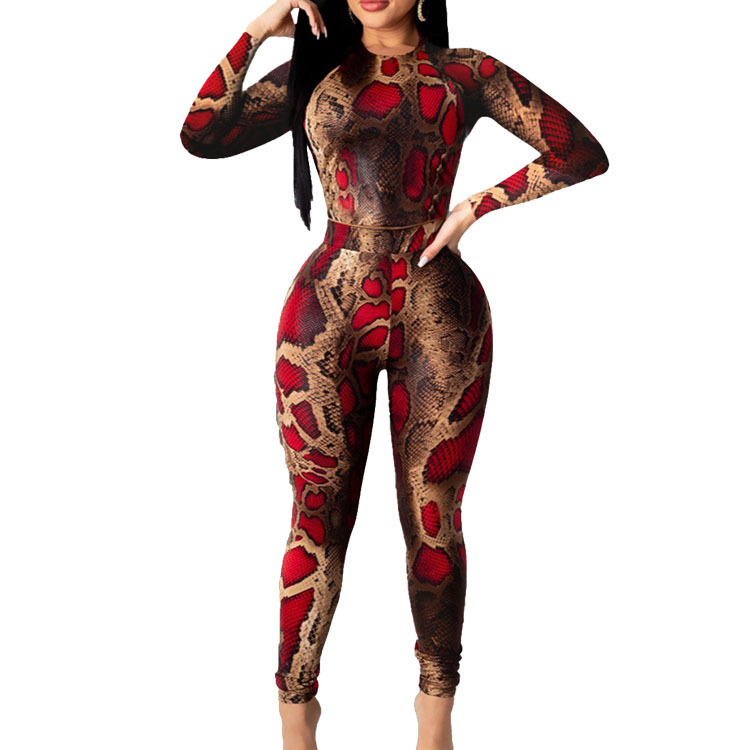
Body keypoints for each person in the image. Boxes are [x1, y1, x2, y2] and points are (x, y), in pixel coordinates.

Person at [179, 0, 608, 747]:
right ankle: (295, 714)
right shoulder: (317, 70)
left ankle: (435, 714)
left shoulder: (466, 72)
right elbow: (201, 134)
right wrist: (257, 32)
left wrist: (474, 208)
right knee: (316, 515)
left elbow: (579, 152)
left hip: (439, 309)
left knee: (433, 513)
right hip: (325, 315)